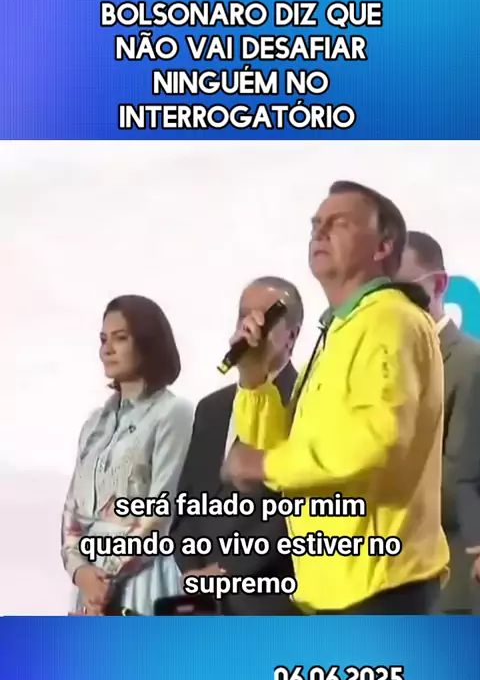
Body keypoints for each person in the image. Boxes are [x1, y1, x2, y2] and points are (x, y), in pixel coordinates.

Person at [222, 180, 450, 615]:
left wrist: (265, 463)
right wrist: (253, 379)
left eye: (339, 223)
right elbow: (274, 454)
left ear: (383, 246)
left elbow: (376, 441)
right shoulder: (340, 330)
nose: (320, 232)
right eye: (316, 224)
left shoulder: (390, 320)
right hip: (332, 588)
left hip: (380, 588)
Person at [172, 277, 303, 614]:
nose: (251, 326)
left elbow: (299, 508)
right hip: (202, 603)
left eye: (264, 318)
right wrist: (193, 570)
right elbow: (187, 503)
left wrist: (229, 571)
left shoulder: (307, 402)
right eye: (245, 315)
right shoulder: (211, 408)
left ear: (292, 335)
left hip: (270, 599)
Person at [61, 294, 193, 615]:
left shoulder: (173, 413)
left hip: (141, 578)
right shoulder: (95, 423)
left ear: (147, 343)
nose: (107, 349)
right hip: (90, 584)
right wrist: (81, 572)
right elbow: (72, 511)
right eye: (103, 339)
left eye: (120, 338)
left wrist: (105, 577)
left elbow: (160, 511)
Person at [398, 232, 480, 614]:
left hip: (450, 580)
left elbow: (459, 477)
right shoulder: (380, 368)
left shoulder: (469, 364)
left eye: (403, 289)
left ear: (440, 285)